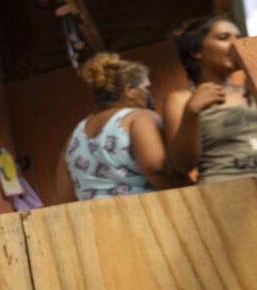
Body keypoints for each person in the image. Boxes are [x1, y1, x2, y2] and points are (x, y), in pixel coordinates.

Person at [163, 15, 257, 264]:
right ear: (197, 51)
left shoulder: (256, 91)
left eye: (239, 37)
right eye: (223, 37)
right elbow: (181, 165)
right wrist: (191, 112)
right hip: (226, 204)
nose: (236, 43)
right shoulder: (181, 99)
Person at [55, 52, 183, 202]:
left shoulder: (76, 133)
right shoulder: (139, 118)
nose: (147, 93)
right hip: (144, 215)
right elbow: (159, 170)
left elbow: (65, 192)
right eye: (145, 87)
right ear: (129, 90)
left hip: (94, 221)